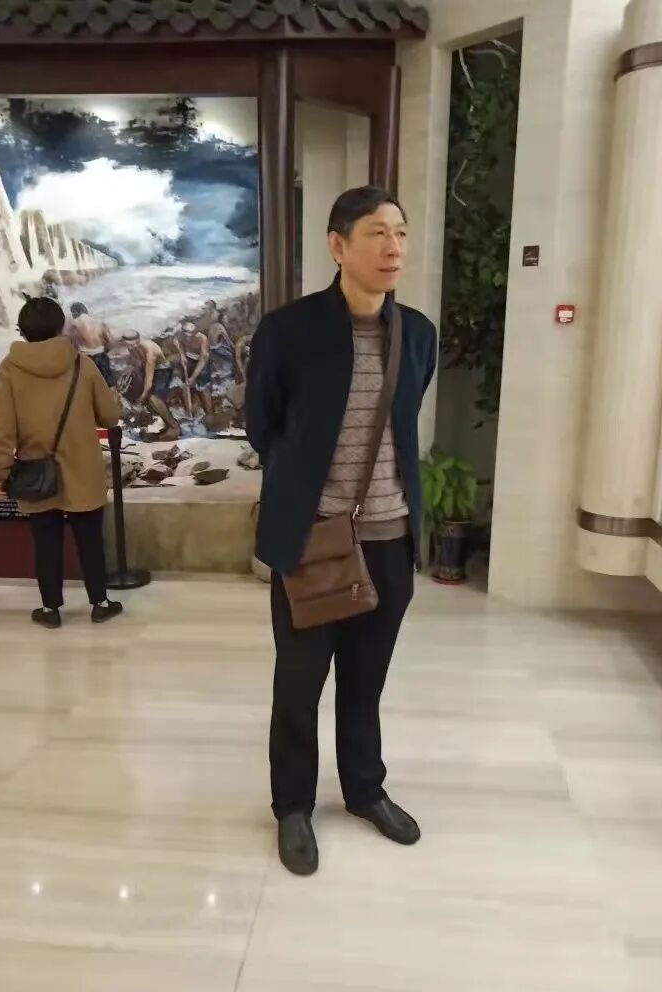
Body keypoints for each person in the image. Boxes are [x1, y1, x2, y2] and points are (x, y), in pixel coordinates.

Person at [246, 186, 437, 876]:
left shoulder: (417, 333)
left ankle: (364, 789)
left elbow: (405, 421)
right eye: (376, 233)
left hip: (390, 537)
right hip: (313, 543)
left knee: (367, 679)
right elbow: (262, 426)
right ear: (337, 245)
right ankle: (293, 805)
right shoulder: (288, 331)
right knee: (300, 684)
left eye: (401, 233)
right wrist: (309, 498)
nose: (393, 248)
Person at [0, 297, 123, 629]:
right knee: (90, 539)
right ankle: (100, 603)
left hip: (36, 471)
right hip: (82, 469)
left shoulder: (9, 369)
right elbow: (109, 416)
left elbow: (3, 426)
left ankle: (50, 610)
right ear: (61, 326)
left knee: (45, 542)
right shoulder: (82, 364)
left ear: (23, 330)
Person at [120, 329, 180, 442]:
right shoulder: (132, 347)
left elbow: (149, 381)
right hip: (147, 369)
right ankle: (164, 425)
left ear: (138, 341)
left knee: (152, 397)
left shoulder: (150, 352)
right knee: (135, 392)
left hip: (163, 370)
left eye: (132, 345)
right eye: (127, 345)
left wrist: (142, 397)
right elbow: (136, 364)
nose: (130, 348)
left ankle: (174, 427)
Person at [67, 302, 115, 387]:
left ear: (74, 312)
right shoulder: (99, 322)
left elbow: (72, 345)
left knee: (90, 385)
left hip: (86, 358)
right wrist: (105, 352)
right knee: (109, 384)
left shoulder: (74, 325)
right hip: (101, 355)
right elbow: (110, 341)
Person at [175, 320, 213, 419]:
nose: (188, 338)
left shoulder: (203, 339)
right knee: (186, 384)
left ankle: (209, 413)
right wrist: (182, 354)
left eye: (191, 335)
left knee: (203, 386)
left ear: (195, 332)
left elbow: (203, 360)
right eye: (186, 335)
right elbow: (177, 341)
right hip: (189, 359)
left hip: (201, 362)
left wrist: (193, 378)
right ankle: (190, 413)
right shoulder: (180, 335)